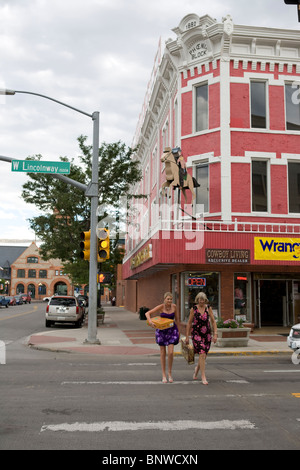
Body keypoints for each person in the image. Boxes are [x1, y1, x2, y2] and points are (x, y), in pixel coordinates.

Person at [146, 292, 180, 383]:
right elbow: (147, 313)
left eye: (171, 299)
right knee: (162, 352)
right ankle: (164, 374)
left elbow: (177, 319)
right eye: (168, 299)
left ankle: (169, 373)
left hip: (172, 330)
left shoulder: (174, 307)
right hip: (161, 331)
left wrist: (179, 332)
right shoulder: (161, 307)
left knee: (171, 352)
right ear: (164, 299)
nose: (169, 301)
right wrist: (151, 322)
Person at [185, 292, 217, 385]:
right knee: (202, 353)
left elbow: (213, 322)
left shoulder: (208, 308)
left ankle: (196, 371)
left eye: (203, 299)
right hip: (196, 334)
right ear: (197, 300)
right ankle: (203, 376)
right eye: (200, 299)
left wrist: (215, 334)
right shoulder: (194, 309)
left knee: (203, 356)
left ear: (205, 300)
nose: (201, 301)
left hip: (207, 334)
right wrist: (187, 336)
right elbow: (189, 323)